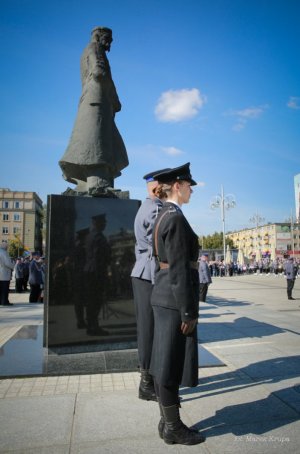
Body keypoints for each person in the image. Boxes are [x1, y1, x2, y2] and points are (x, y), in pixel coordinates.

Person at [149, 163, 206, 445]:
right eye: (190, 185)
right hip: (174, 300)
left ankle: (166, 421)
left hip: (163, 296)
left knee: (163, 361)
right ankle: (173, 427)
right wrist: (188, 310)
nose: (192, 190)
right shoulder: (176, 219)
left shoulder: (163, 215)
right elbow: (181, 269)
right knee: (169, 365)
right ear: (179, 185)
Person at [59, 27, 128, 194]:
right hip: (97, 100)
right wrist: (115, 98)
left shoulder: (87, 50)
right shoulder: (94, 48)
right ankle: (97, 184)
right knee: (97, 141)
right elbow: (99, 72)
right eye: (108, 38)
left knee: (98, 140)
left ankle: (90, 182)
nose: (110, 43)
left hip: (91, 100)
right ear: (99, 36)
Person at [131, 167, 170, 402]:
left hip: (145, 273)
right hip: (148, 275)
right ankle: (146, 384)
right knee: (148, 330)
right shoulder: (155, 210)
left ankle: (150, 379)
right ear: (157, 187)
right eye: (165, 186)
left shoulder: (149, 206)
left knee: (150, 329)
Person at [0, 241, 14, 306]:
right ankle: (4, 301)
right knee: (5, 289)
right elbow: (7, 263)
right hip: (4, 273)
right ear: (5, 246)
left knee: (1, 289)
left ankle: (1, 301)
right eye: (7, 246)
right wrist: (13, 265)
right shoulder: (4, 253)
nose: (7, 247)